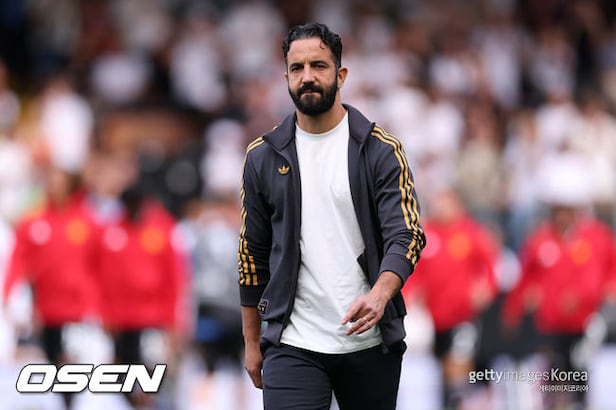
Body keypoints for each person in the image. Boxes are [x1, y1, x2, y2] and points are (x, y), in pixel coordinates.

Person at [238, 22, 425, 410]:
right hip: (292, 343)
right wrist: (252, 341)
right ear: (286, 78)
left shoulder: (380, 150)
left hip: (370, 341)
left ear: (341, 75)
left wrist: (380, 295)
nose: (307, 77)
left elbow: (407, 235)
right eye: (297, 68)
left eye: (319, 66)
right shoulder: (262, 157)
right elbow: (251, 255)